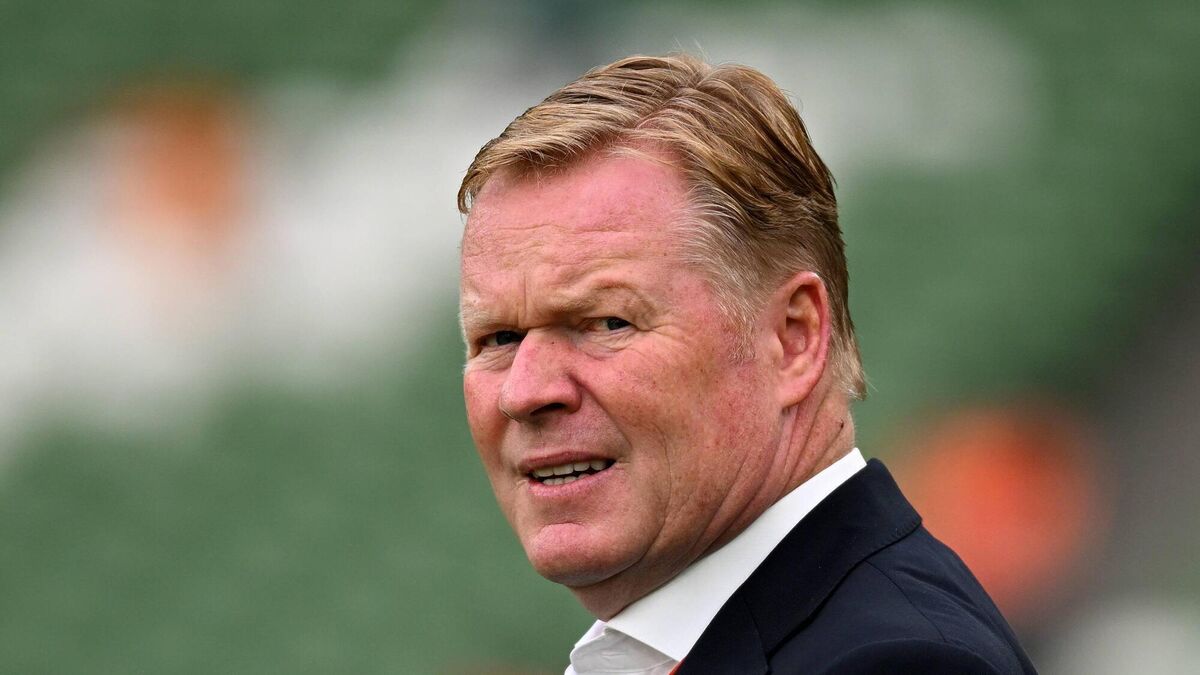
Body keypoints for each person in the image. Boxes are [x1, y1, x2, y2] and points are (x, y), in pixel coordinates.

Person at [457, 54, 1036, 674]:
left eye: (606, 323)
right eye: (498, 338)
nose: (524, 391)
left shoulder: (896, 664)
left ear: (793, 338)